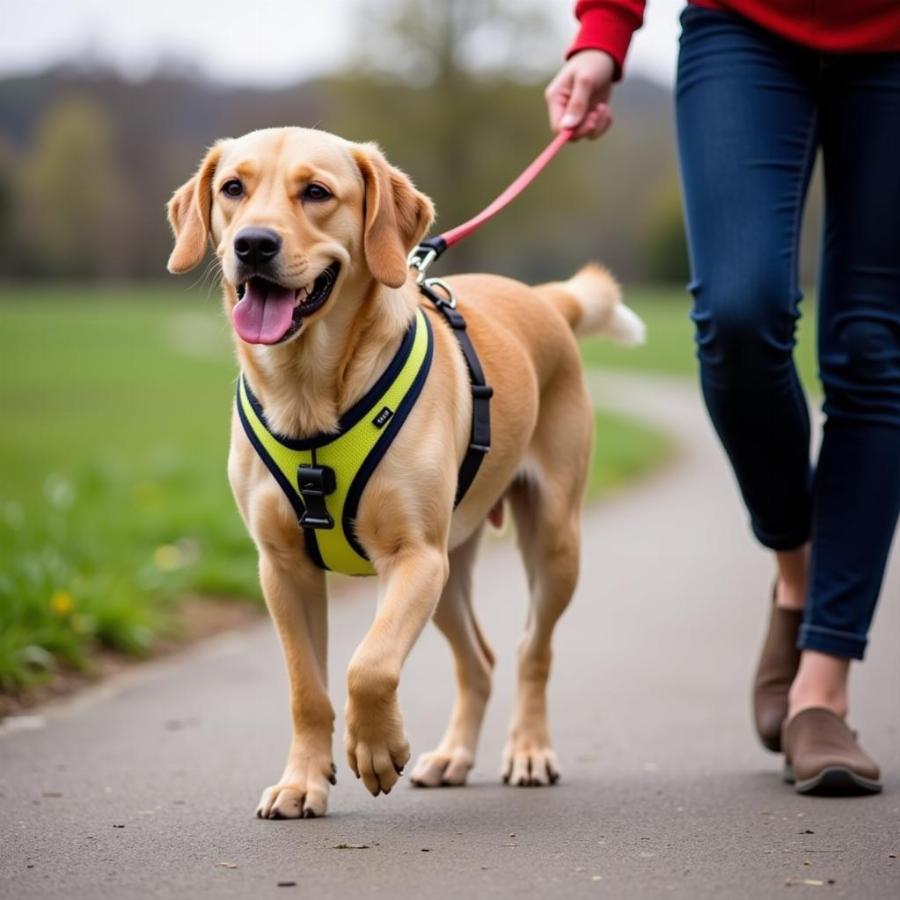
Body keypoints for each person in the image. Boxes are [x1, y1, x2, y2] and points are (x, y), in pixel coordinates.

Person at [547, 0, 900, 795]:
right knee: (739, 316)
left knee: (874, 348)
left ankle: (822, 687)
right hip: (745, 24)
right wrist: (604, 31)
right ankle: (798, 570)